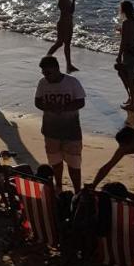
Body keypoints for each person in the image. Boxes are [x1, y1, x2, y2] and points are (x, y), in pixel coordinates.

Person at [34, 54, 85, 191]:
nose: (47, 76)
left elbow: (81, 101)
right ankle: (59, 187)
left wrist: (63, 108)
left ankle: (77, 190)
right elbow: (37, 102)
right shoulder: (42, 83)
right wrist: (49, 107)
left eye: (49, 73)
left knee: (74, 164)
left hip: (71, 131)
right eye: (44, 73)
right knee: (55, 163)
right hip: (50, 131)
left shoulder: (72, 82)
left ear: (57, 69)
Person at [115, 0, 134, 111]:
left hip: (129, 54)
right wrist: (124, 32)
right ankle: (131, 99)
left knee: (128, 78)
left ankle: (133, 103)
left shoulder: (126, 23)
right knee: (126, 75)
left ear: (123, 10)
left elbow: (124, 41)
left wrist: (119, 55)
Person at [47, 0, 78, 73]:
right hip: (63, 23)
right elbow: (69, 11)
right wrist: (73, 2)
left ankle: (69, 65)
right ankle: (47, 57)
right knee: (60, 43)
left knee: (67, 44)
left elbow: (71, 12)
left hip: (68, 23)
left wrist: (73, 2)